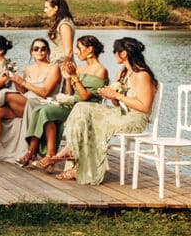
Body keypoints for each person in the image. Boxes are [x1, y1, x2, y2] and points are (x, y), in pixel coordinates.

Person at [53, 37, 158, 184]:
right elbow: (117, 104)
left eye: (115, 51)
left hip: (135, 119)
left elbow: (145, 107)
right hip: (122, 113)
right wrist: (110, 95)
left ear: (123, 54)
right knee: (82, 107)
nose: (114, 54)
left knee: (96, 122)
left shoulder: (142, 75)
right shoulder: (122, 73)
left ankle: (78, 164)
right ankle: (73, 150)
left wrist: (117, 95)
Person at [21, 35, 108, 171]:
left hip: (85, 108)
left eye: (79, 48)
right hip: (72, 104)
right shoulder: (80, 68)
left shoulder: (101, 70)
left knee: (45, 111)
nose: (76, 52)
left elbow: (84, 96)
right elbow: (70, 93)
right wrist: (68, 78)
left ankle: (38, 153)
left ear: (90, 49)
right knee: (41, 110)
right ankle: (42, 153)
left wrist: (74, 77)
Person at [0, 38, 61, 164]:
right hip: (26, 102)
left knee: (5, 93)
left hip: (41, 104)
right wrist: (15, 80)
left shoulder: (53, 68)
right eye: (36, 49)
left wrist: (22, 81)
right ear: (31, 52)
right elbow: (23, 92)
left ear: (48, 51)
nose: (40, 51)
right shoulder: (28, 69)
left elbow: (45, 92)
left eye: (43, 49)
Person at [44, 0, 76, 72]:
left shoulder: (64, 25)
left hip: (62, 65)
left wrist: (64, 69)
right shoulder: (59, 23)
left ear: (55, 8)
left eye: (47, 8)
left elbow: (69, 51)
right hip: (55, 64)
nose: (45, 10)